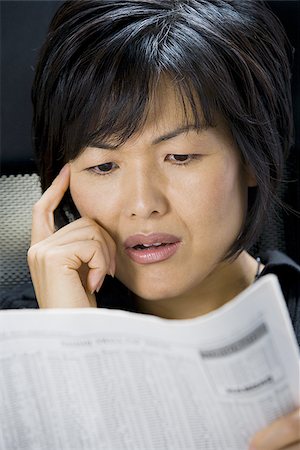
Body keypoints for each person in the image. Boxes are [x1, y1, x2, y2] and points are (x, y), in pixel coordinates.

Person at [11, 0, 300, 448]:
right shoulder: (16, 340)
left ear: (252, 157)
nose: (142, 204)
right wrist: (69, 349)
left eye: (180, 156)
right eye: (104, 166)